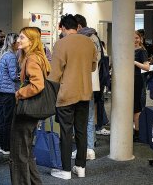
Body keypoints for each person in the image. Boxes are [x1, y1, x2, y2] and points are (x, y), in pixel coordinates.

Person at [48, 14, 96, 180]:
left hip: (66, 94)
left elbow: (54, 74)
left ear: (62, 27)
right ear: (77, 27)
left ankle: (66, 170)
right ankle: (81, 167)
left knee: (66, 132)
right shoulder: (89, 42)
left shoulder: (61, 44)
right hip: (85, 92)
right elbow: (93, 66)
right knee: (81, 131)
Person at [9, 27, 50, 185]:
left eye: (22, 38)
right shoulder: (38, 56)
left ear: (31, 41)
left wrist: (19, 93)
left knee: (19, 152)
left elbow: (38, 85)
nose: (18, 40)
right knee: (25, 151)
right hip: (32, 111)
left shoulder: (32, 58)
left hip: (26, 111)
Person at [74, 14, 101, 160]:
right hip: (91, 82)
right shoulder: (94, 37)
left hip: (85, 81)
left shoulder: (87, 39)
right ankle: (89, 147)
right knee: (88, 115)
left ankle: (87, 148)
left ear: (78, 26)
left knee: (84, 116)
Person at [0, 33, 19, 155]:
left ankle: (2, 146)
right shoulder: (11, 57)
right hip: (8, 92)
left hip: (0, 90)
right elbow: (14, 76)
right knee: (8, 120)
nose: (19, 44)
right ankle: (7, 147)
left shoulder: (3, 54)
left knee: (2, 119)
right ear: (13, 43)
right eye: (18, 41)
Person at [133, 31, 150, 141]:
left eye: (137, 38)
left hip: (137, 80)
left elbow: (146, 67)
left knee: (136, 106)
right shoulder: (127, 49)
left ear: (140, 39)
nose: (135, 40)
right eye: (133, 38)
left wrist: (134, 62)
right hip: (127, 80)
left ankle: (138, 132)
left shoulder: (142, 51)